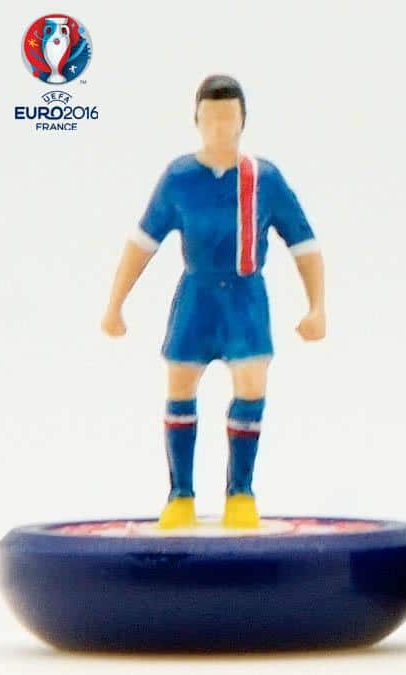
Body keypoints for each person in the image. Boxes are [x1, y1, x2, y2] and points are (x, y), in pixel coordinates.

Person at [101, 75, 326, 529]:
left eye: (229, 118)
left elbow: (304, 243)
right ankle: (180, 495)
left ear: (243, 121)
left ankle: (240, 493)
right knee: (180, 385)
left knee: (251, 384)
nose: (220, 128)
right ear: (196, 121)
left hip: (245, 297)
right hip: (197, 296)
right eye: (211, 119)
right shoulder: (178, 178)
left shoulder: (264, 179)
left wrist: (317, 306)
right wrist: (115, 304)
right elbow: (143, 242)